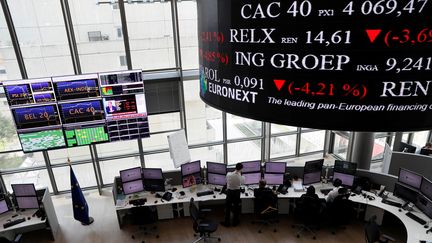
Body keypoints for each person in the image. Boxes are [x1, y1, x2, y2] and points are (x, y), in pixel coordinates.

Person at [221, 163, 244, 227]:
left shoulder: (228, 174)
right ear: (241, 169)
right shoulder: (240, 177)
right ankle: (235, 222)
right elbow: (242, 183)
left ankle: (227, 223)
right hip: (236, 193)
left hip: (229, 192)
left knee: (228, 208)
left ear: (235, 167)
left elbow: (227, 181)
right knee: (236, 207)